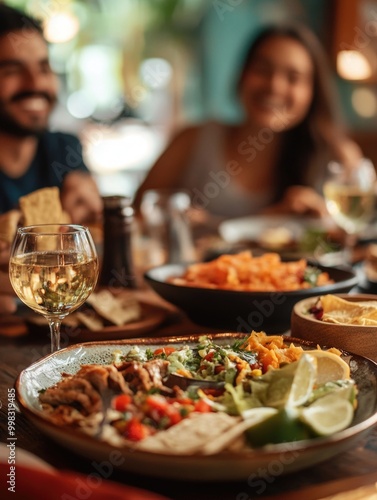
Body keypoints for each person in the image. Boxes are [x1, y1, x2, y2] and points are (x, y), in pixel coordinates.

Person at [134, 23, 362, 219]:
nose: (274, 86)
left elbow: (358, 238)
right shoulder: (193, 140)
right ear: (242, 75)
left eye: (293, 78)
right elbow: (133, 217)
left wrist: (327, 223)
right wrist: (171, 221)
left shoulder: (336, 157)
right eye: (263, 69)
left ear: (313, 92)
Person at [0, 4, 102, 315]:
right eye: (12, 70)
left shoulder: (64, 149)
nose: (36, 84)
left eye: (44, 68)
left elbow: (93, 227)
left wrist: (93, 214)